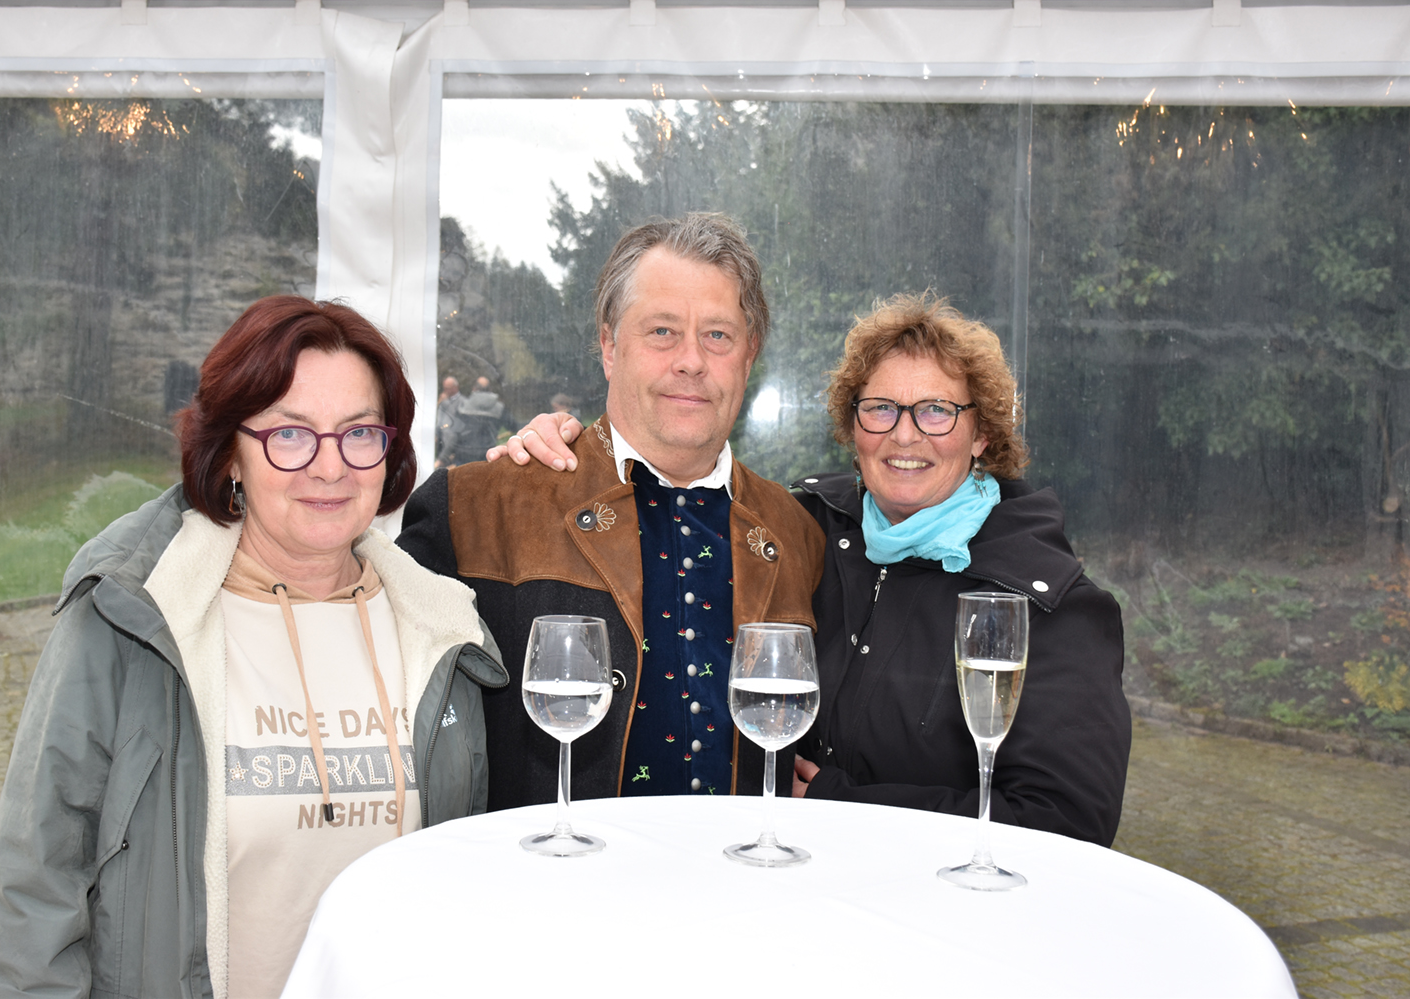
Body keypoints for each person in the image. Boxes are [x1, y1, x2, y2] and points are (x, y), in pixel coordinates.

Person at [0, 296, 506, 999]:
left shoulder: (439, 630)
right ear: (230, 452)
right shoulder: (137, 618)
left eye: (358, 433)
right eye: (289, 434)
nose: (329, 467)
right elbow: (33, 890)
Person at [397, 212, 823, 808]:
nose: (692, 361)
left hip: (743, 867)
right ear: (608, 346)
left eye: (718, 336)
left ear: (749, 358)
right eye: (662, 331)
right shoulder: (476, 510)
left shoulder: (801, 532)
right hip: (546, 867)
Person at [790, 293, 1130, 846]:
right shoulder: (806, 531)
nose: (904, 434)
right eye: (880, 407)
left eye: (936, 410)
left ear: (981, 435)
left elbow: (1066, 822)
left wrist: (840, 806)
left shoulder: (1049, 605)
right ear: (853, 425)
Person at [433, 373, 464, 466]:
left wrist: (446, 402)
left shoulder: (462, 401)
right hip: (441, 439)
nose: (445, 391)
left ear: (455, 387)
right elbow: (439, 419)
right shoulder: (443, 401)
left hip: (453, 443)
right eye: (444, 388)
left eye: (448, 388)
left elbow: (453, 419)